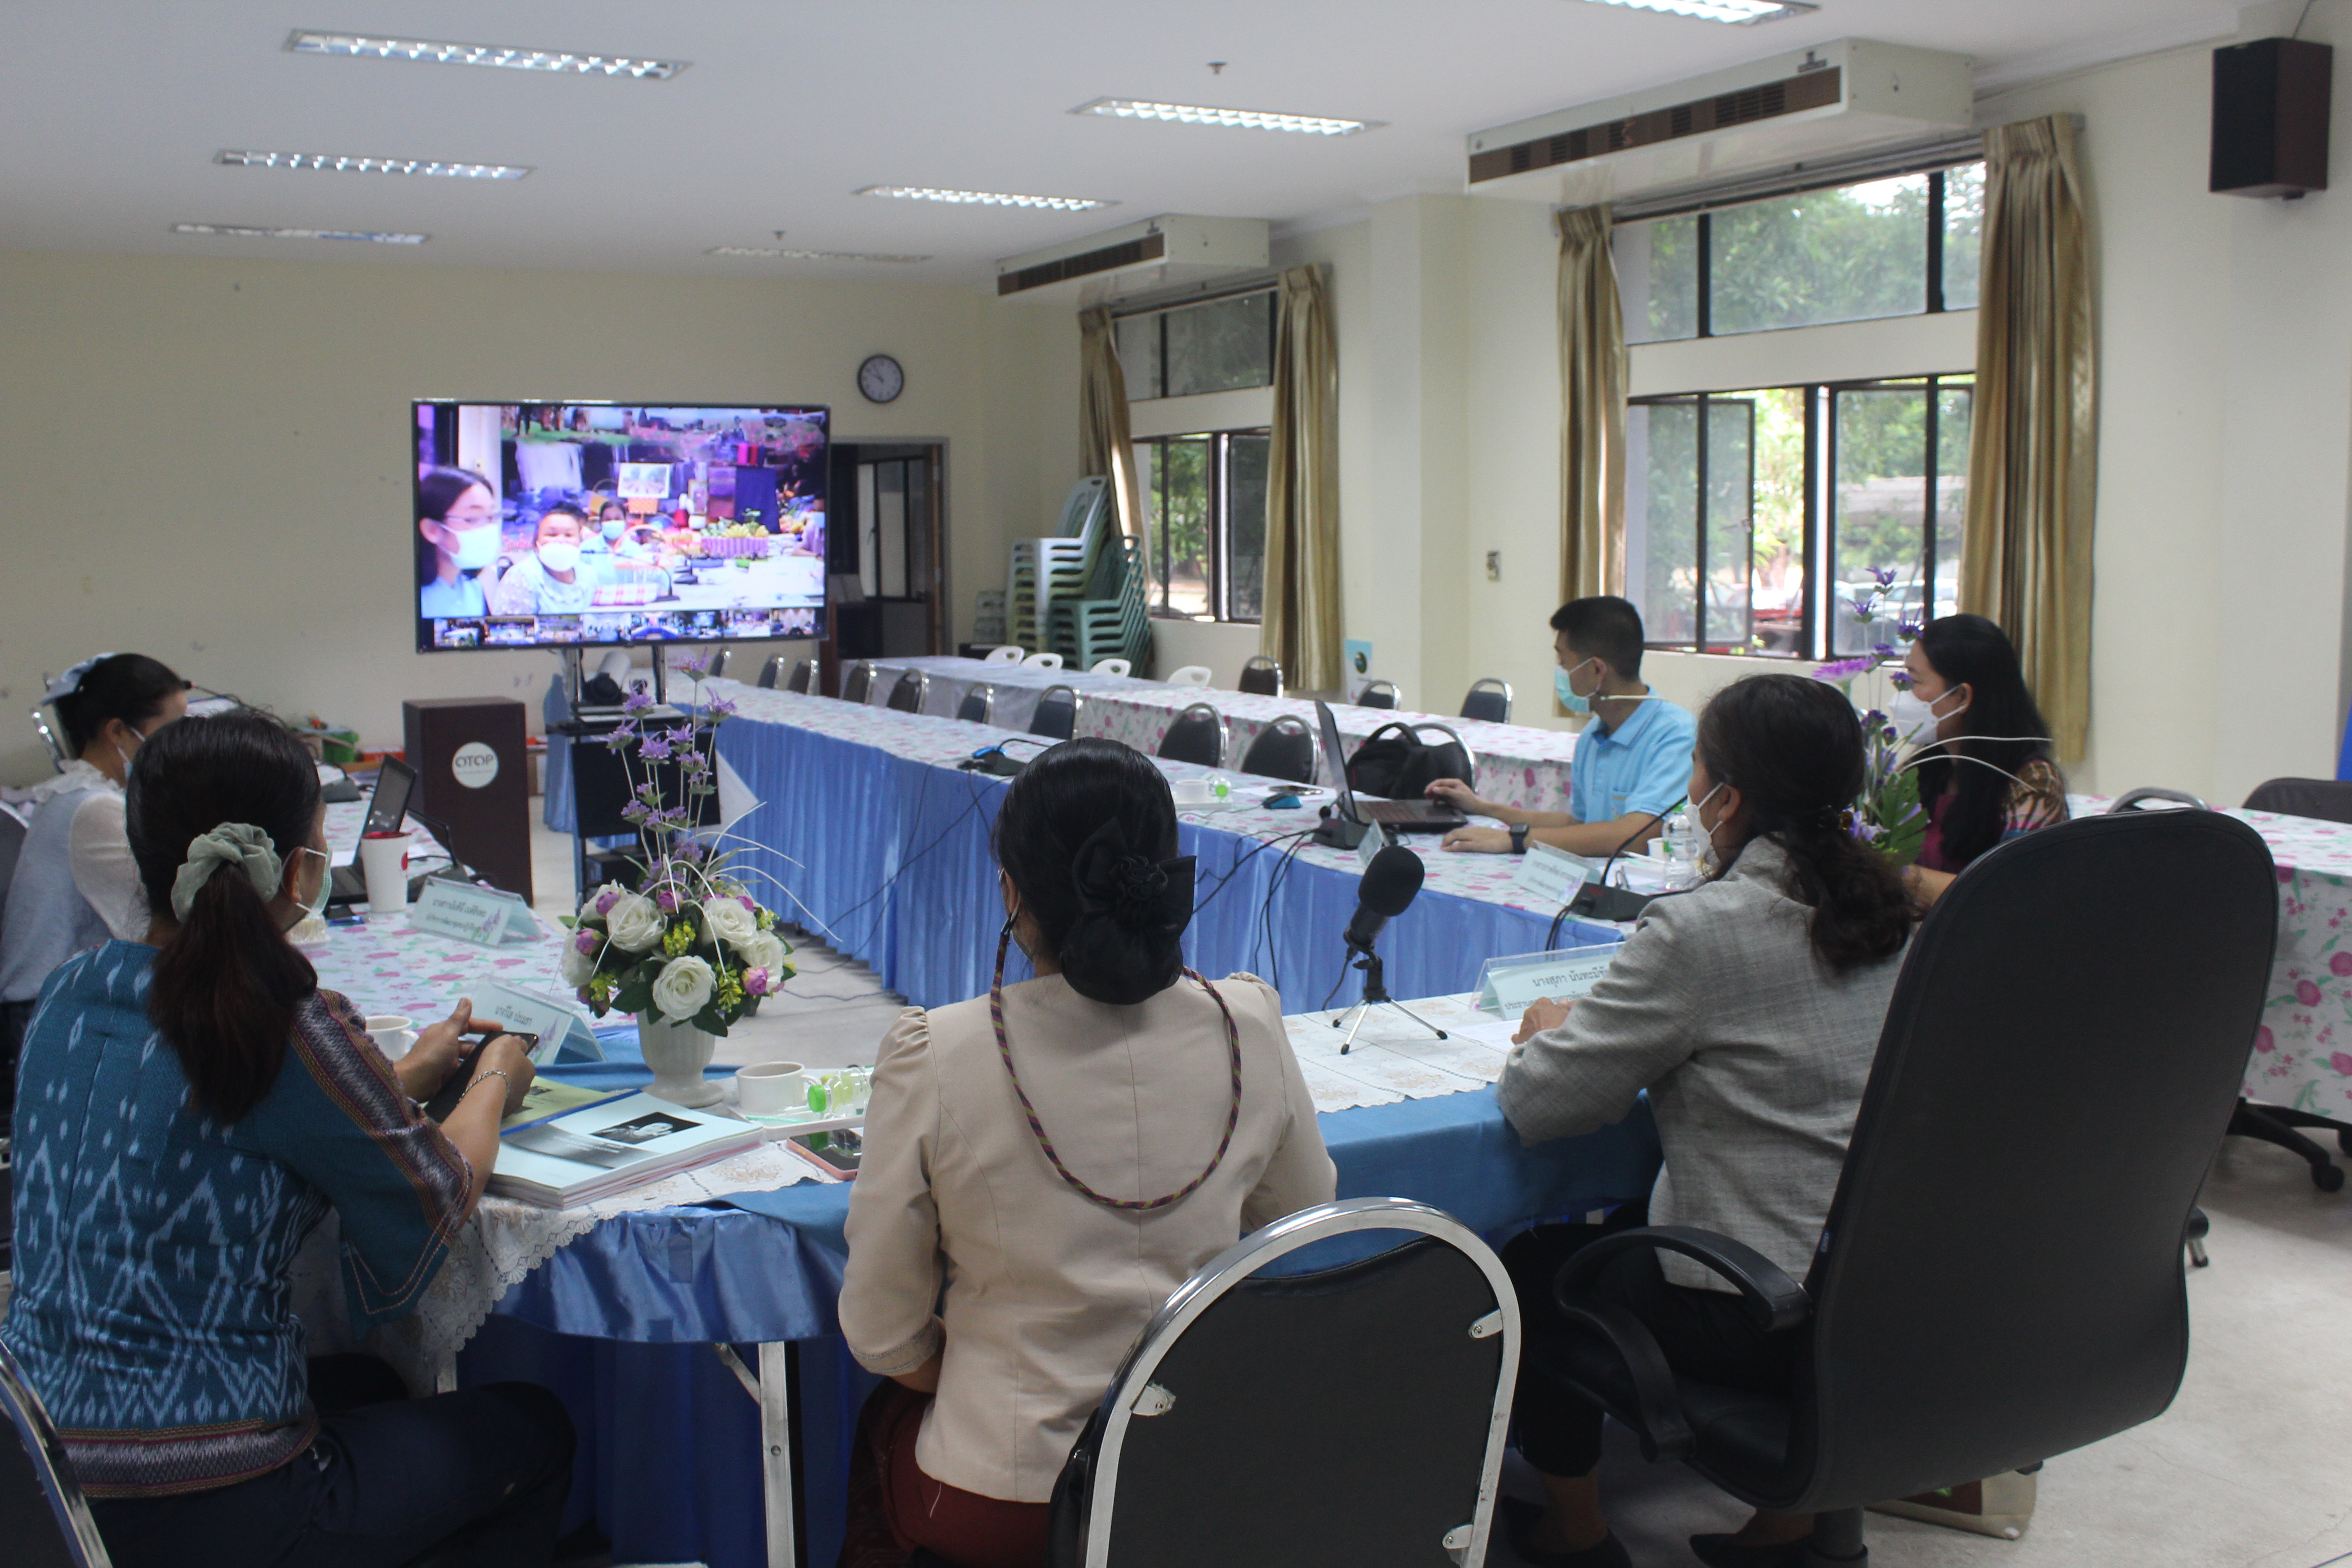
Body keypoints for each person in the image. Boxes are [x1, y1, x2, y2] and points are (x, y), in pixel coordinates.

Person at [0, 711, 573, 1568]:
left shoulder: (73, 992)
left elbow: (233, 1111)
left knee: (374, 1385)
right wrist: (494, 1073)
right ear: (301, 866)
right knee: (535, 1428)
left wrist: (399, 1077)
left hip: (45, 1470)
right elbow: (437, 1187)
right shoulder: (281, 1016)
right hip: (213, 1500)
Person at [837, 738, 1336, 1568]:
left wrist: (962, 1373)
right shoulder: (1246, 1021)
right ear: (1167, 876)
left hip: (1012, 1491)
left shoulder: (939, 1051)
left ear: (1011, 894)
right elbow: (1297, 1222)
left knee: (879, 1429)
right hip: (1202, 1468)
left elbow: (881, 1329)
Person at [1493, 674, 1918, 1568]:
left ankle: (1577, 1531)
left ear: (1726, 798)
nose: (1690, 790)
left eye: (1696, 768)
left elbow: (1542, 1107)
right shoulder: (1888, 911)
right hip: (1878, 1286)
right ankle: (1786, 1529)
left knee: (1528, 1270)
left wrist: (1549, 1031)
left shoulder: (1702, 928)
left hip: (1754, 1303)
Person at [0, 653, 189, 1107]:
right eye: (173, 729)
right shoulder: (93, 809)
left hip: (57, 1002)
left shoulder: (80, 795)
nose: (181, 744)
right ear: (119, 732)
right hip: (47, 1019)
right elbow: (162, 927)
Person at [1431, 596, 1697, 858]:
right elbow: (1579, 827)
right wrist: (1482, 808)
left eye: (1564, 662)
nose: (1561, 671)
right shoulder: (1594, 734)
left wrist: (1514, 840)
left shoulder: (1675, 735)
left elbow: (1636, 836)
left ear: (1596, 670)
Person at [1894, 614, 2066, 906]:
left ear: (1962, 697)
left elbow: (2003, 895)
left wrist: (1893, 875)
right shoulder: (1925, 766)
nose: (1904, 696)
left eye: (1915, 681)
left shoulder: (2033, 782)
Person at [488, 504, 612, 616]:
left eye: (569, 535)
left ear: (580, 541)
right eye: (552, 535)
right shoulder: (521, 576)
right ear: (536, 543)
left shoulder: (588, 574)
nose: (561, 540)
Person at [416, 466, 504, 619]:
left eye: (491, 518)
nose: (488, 529)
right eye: (472, 519)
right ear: (432, 530)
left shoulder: (472, 587)